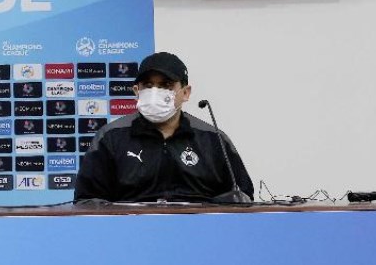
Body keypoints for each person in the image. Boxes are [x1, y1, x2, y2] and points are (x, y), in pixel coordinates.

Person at [74, 51, 253, 203]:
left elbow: (241, 197)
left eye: (166, 85)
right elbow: (87, 201)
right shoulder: (111, 137)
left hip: (199, 229)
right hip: (132, 230)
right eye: (148, 85)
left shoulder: (212, 139)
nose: (154, 93)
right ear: (137, 91)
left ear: (185, 92)